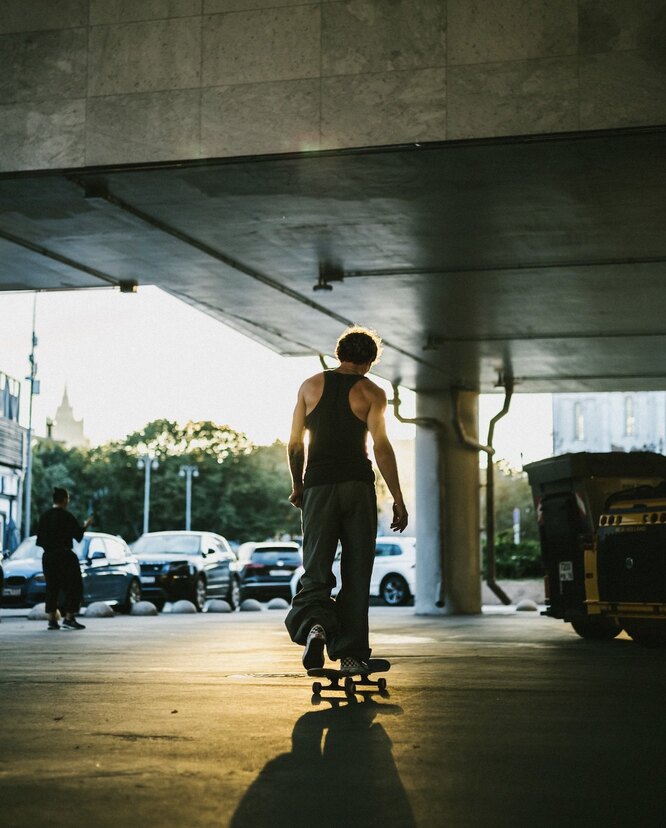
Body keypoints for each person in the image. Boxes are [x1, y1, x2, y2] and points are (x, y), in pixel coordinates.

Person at [285, 326, 408, 674]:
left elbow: (295, 444)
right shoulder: (373, 392)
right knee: (357, 571)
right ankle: (352, 656)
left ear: (339, 354)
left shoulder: (310, 386)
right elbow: (381, 447)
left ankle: (316, 626)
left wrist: (298, 485)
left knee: (316, 567)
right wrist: (398, 499)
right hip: (357, 487)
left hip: (319, 487)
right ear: (369, 361)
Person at [36, 486, 92, 631]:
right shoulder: (67, 516)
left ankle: (51, 620)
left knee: (52, 587)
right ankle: (69, 617)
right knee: (73, 586)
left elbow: (40, 540)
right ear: (65, 500)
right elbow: (78, 536)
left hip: (48, 556)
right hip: (65, 555)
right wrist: (85, 526)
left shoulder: (44, 516)